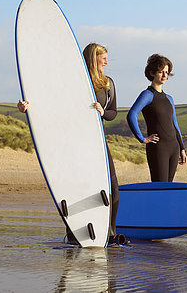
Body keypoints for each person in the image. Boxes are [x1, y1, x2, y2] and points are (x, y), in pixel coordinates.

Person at [18, 42, 124, 245]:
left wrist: (103, 111)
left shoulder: (108, 83)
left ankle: (110, 231)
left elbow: (113, 113)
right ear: (94, 59)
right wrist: (24, 106)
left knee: (113, 186)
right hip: (75, 140)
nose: (106, 62)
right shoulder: (74, 80)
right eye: (103, 58)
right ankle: (73, 232)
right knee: (76, 187)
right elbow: (50, 100)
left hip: (98, 140)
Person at [127, 54, 187, 182]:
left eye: (166, 72)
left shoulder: (169, 99)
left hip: (174, 148)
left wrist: (182, 149)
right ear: (152, 73)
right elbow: (131, 115)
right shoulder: (147, 95)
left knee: (169, 188)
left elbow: (175, 125)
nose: (164, 75)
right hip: (158, 148)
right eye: (161, 72)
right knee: (159, 187)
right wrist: (142, 139)